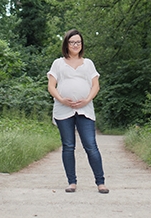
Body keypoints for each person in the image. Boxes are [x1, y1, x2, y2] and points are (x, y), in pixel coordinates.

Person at [47, 29, 109, 194]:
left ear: (81, 45)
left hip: (85, 110)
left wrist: (87, 99)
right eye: (72, 42)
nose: (75, 45)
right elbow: (51, 86)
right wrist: (61, 99)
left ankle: (100, 182)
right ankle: (72, 182)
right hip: (63, 110)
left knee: (90, 145)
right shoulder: (58, 63)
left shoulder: (88, 63)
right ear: (66, 44)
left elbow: (95, 85)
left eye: (78, 42)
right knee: (68, 146)